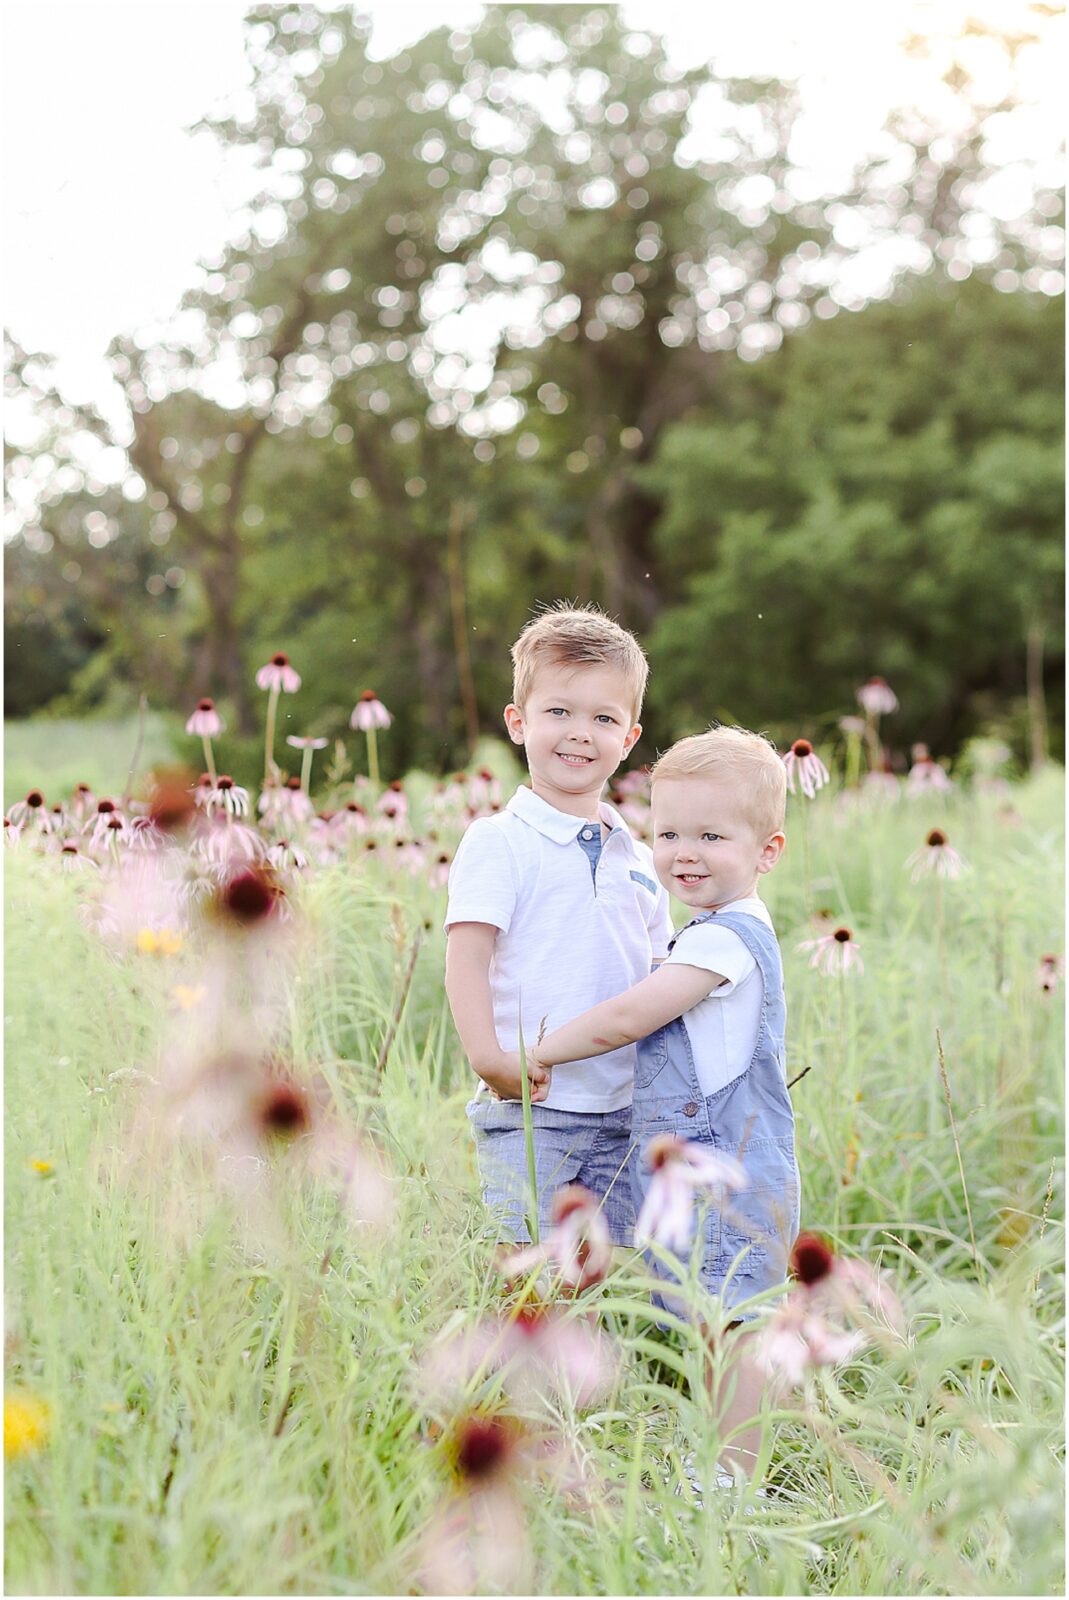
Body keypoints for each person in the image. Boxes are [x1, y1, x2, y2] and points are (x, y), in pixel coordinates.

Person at [528, 726, 800, 1485]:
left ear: (765, 852)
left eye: (711, 835)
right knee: (706, 1314)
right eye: (669, 831)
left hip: (729, 1170)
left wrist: (538, 1051)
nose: (684, 850)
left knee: (733, 1320)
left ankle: (733, 1478)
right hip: (700, 1169)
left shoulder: (727, 941)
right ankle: (714, 1456)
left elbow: (626, 1019)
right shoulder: (704, 931)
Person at [444, 603, 672, 1247]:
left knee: (609, 1281)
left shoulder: (640, 854)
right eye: (559, 712)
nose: (580, 733)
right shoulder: (499, 841)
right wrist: (489, 1058)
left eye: (603, 718)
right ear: (519, 723)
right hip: (534, 1108)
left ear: (628, 739)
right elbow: (466, 959)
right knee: (533, 1281)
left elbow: (657, 975)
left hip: (629, 1110)